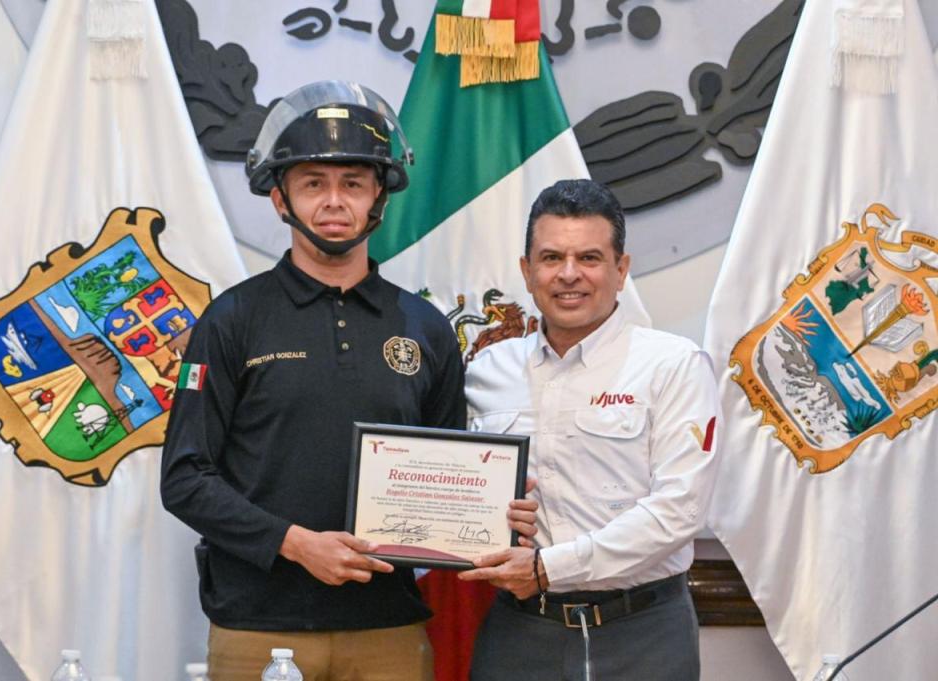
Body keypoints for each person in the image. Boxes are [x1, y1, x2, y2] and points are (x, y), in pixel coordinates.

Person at [160, 81, 536, 681]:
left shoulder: (426, 327)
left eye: (353, 184)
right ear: (280, 199)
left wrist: (492, 512)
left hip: (388, 629)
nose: (334, 201)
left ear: (379, 200)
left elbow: (449, 472)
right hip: (257, 627)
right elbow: (184, 479)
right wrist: (295, 543)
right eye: (313, 183)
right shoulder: (230, 321)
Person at [458, 179, 721, 681]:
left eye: (590, 258)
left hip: (643, 632)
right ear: (527, 272)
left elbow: (679, 510)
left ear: (621, 270)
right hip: (521, 634)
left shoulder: (673, 365)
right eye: (552, 257)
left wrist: (548, 568)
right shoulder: (486, 370)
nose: (569, 275)